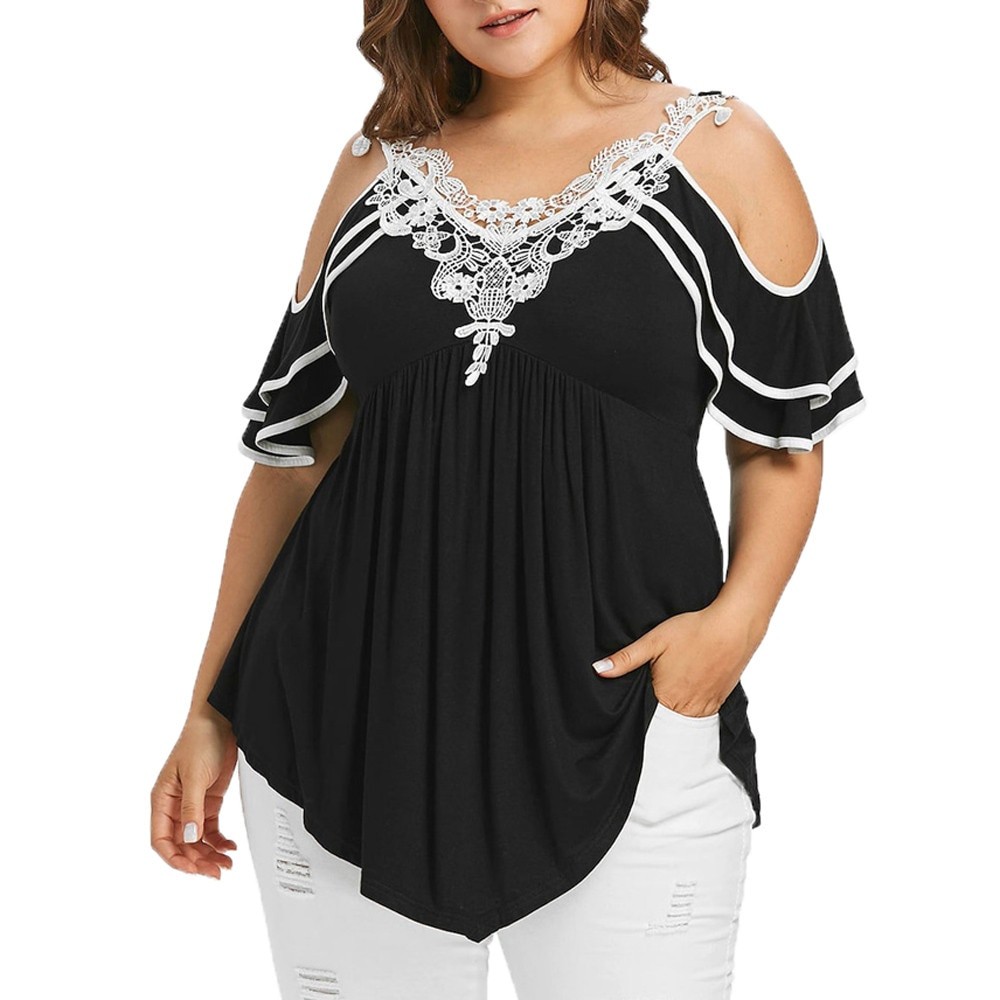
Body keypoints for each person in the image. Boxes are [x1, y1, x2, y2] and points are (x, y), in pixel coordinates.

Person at [150, 2, 866, 998]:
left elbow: (780, 439)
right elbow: (296, 462)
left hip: (624, 723)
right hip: (341, 730)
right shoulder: (374, 166)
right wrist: (206, 710)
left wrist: (732, 626)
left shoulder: (720, 149)